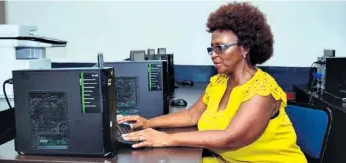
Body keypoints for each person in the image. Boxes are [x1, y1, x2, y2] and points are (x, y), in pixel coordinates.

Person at [118, 2, 307, 163]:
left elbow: (230, 138)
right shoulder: (219, 82)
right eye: (212, 48)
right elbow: (193, 115)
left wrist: (166, 138)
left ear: (245, 48)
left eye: (221, 48)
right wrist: (147, 123)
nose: (214, 55)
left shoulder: (262, 91)